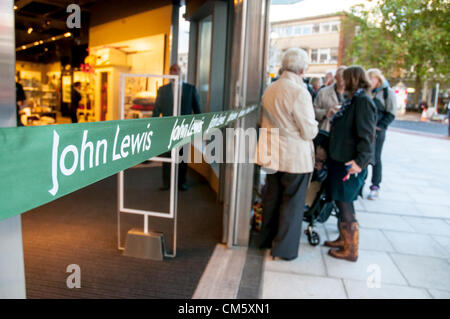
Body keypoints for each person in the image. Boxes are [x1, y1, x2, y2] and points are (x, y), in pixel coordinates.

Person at [256, 48, 318, 261]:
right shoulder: (299, 92)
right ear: (302, 69)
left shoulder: (270, 89)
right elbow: (309, 131)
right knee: (292, 203)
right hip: (294, 157)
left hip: (271, 153)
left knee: (272, 198)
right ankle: (283, 250)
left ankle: (265, 240)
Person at [324, 66, 376, 262]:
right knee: (340, 200)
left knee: (346, 203)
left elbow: (367, 135)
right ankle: (342, 239)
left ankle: (351, 250)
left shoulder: (362, 101)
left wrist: (360, 162)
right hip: (340, 159)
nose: (342, 82)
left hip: (350, 162)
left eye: (345, 78)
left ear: (353, 79)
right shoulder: (354, 99)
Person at [153, 64, 201, 191]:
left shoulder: (190, 89)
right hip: (167, 128)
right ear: (169, 73)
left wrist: (199, 127)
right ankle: (166, 183)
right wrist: (153, 127)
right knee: (167, 156)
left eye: (177, 70)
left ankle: (181, 183)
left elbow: (197, 110)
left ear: (181, 72)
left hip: (184, 128)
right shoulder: (163, 90)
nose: (175, 72)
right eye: (172, 70)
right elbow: (156, 109)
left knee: (182, 157)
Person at [366, 68, 397, 200]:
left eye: (371, 79)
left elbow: (391, 112)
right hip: (366, 129)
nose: (369, 82)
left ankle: (375, 185)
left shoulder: (387, 92)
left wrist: (380, 127)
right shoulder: (368, 92)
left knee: (376, 157)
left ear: (378, 79)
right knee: (364, 156)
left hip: (377, 131)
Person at [314, 66, 346, 132]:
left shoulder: (353, 94)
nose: (343, 79)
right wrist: (326, 112)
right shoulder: (323, 92)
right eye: (341, 76)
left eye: (346, 77)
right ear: (335, 77)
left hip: (344, 132)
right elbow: (313, 111)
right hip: (327, 130)